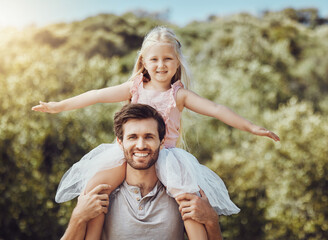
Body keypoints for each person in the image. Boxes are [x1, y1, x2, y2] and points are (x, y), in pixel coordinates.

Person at [32, 26, 280, 239]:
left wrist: (252, 127)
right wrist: (59, 106)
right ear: (143, 61)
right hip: (128, 154)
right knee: (96, 187)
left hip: (167, 156)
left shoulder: (179, 94)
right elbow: (97, 95)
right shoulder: (135, 86)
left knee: (188, 200)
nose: (161, 65)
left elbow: (216, 109)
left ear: (177, 61)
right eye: (154, 60)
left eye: (168, 59)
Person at [61, 104, 222, 240]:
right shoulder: (102, 193)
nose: (141, 145)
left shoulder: (181, 191)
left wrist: (212, 220)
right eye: (132, 137)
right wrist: (78, 217)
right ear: (120, 142)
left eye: (149, 137)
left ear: (162, 141)